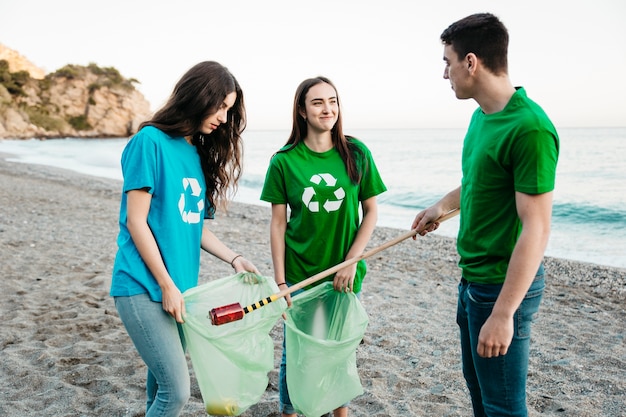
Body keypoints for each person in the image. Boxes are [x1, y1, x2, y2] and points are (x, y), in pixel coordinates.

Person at [411, 13, 559, 417]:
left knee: (504, 406)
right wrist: (441, 207)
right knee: (479, 393)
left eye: (448, 62)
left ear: (471, 62)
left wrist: (504, 313)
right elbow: (479, 183)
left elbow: (537, 228)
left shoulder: (530, 129)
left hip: (502, 287)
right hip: (472, 281)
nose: (446, 73)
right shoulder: (481, 118)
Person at [110, 61, 259, 417]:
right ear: (199, 95)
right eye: (221, 106)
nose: (224, 118)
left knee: (159, 392)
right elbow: (136, 222)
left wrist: (234, 258)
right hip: (142, 286)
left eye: (230, 109)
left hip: (181, 291)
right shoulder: (149, 142)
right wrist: (165, 284)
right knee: (176, 394)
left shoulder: (196, 154)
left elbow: (194, 227)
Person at [260, 76, 387, 417]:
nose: (328, 108)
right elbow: (278, 223)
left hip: (343, 275)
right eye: (317, 102)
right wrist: (281, 281)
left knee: (337, 350)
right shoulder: (284, 161)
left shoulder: (357, 153)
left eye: (333, 101)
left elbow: (371, 211)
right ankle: (290, 412)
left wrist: (351, 261)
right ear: (302, 111)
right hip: (301, 272)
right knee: (297, 351)